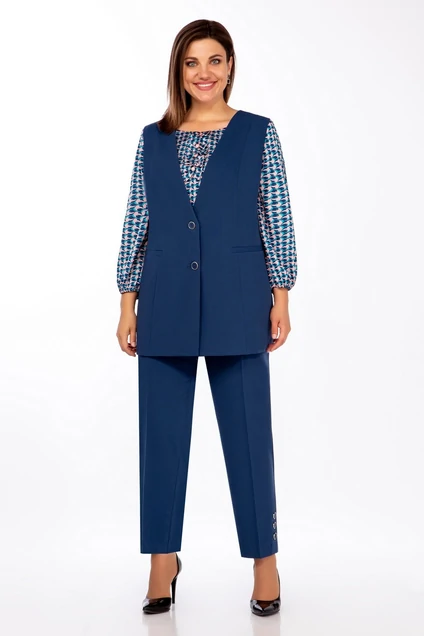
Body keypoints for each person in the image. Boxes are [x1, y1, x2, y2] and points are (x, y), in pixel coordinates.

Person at [116, 19, 297, 617]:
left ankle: (265, 562)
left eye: (214, 60)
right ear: (178, 69)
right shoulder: (152, 139)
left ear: (230, 66)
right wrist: (126, 301)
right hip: (163, 299)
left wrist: (281, 294)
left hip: (239, 299)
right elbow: (137, 218)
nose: (204, 73)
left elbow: (276, 214)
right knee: (160, 440)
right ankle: (162, 561)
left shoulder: (258, 133)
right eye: (192, 62)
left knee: (249, 438)